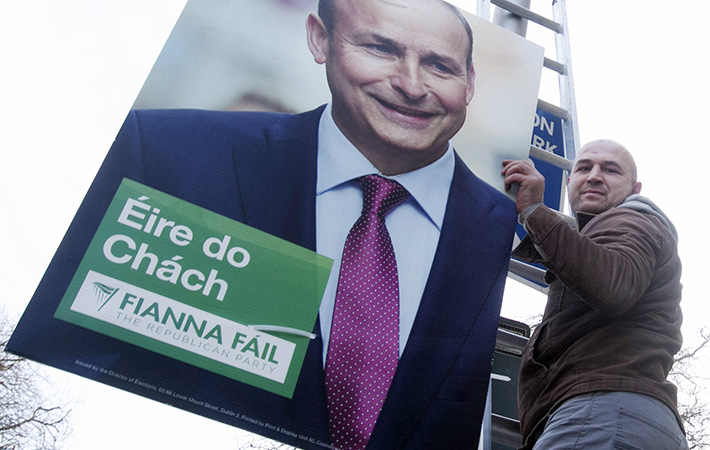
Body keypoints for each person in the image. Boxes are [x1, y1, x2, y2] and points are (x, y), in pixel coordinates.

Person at [9, 1, 518, 449]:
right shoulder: (166, 152)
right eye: (380, 48)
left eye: (439, 65)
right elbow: (77, 345)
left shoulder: (504, 228)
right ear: (320, 39)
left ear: (469, 82)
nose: (410, 84)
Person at [501, 139, 687, 449]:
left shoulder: (633, 218)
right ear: (570, 180)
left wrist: (534, 211)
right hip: (619, 420)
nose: (594, 176)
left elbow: (614, 284)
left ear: (635, 189)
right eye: (584, 168)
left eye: (611, 170)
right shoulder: (604, 234)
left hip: (601, 415)